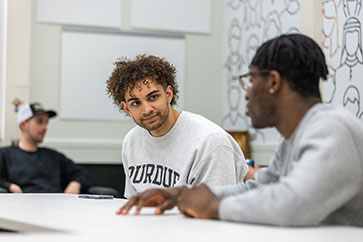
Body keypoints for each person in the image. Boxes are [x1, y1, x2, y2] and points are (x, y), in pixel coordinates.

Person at [117, 34, 363, 227]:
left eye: (251, 79)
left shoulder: (332, 128)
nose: (246, 93)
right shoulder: (297, 136)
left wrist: (215, 206)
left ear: (273, 82)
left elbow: (294, 204)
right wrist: (182, 194)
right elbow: (260, 186)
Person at [106, 55, 248, 198]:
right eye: (136, 103)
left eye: (153, 97)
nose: (147, 109)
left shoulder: (212, 141)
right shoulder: (131, 141)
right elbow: (134, 203)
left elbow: (215, 211)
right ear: (126, 108)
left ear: (168, 94)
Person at [0, 102, 94, 193]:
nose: (45, 128)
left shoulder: (54, 156)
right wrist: (9, 186)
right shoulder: (5, 155)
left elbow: (83, 174)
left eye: (46, 123)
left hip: (57, 205)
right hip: (23, 205)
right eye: (40, 122)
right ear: (23, 125)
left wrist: (76, 183)